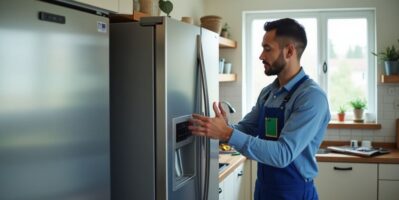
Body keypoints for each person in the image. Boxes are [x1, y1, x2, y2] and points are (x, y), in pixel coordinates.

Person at [188, 18, 330, 200]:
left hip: (293, 192)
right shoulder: (268, 92)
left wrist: (227, 133)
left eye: (267, 48)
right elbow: (247, 128)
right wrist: (224, 127)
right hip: (264, 189)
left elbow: (283, 154)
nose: (261, 56)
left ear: (289, 51)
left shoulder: (311, 97)